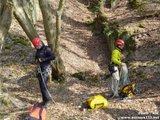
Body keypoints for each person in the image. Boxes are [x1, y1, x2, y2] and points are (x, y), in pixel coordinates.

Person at [32, 37, 55, 105]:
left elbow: (53, 56)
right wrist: (37, 60)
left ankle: (46, 101)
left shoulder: (46, 49)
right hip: (40, 70)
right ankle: (45, 99)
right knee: (42, 86)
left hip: (45, 69)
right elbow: (36, 58)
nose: (38, 46)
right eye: (36, 46)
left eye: (38, 44)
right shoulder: (38, 51)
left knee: (43, 86)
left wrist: (43, 59)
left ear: (41, 43)